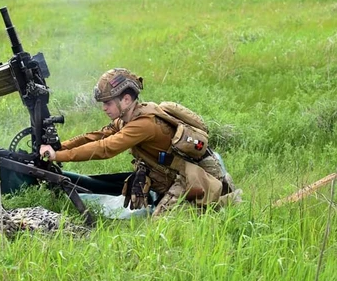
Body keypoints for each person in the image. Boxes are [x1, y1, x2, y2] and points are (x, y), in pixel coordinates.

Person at [39, 68, 241, 216]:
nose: (104, 108)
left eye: (108, 102)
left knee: (166, 228)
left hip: (193, 177)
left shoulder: (143, 124)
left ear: (126, 100)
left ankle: (223, 201)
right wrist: (60, 146)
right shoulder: (128, 118)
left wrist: (58, 156)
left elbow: (106, 148)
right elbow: (98, 136)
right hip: (175, 174)